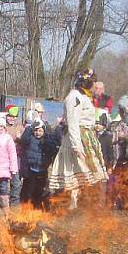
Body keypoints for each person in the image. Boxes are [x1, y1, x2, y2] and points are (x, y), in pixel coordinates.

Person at [48, 69, 107, 208]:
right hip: (78, 139)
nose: (95, 86)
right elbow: (73, 123)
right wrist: (77, 146)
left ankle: (84, 207)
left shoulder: (85, 97)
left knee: (90, 177)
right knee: (77, 175)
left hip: (87, 137)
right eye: (93, 83)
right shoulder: (74, 97)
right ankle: (71, 207)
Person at [19, 119, 50, 208]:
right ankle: (25, 204)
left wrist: (47, 130)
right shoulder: (30, 139)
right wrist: (30, 127)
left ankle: (38, 206)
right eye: (36, 130)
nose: (38, 133)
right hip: (31, 169)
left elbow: (52, 145)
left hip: (42, 169)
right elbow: (23, 140)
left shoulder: (46, 141)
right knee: (28, 189)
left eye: (40, 131)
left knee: (39, 190)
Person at [0, 113, 19, 209]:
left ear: (4, 127)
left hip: (4, 168)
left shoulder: (8, 138)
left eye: (0, 126)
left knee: (3, 187)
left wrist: (13, 168)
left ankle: (4, 205)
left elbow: (12, 155)